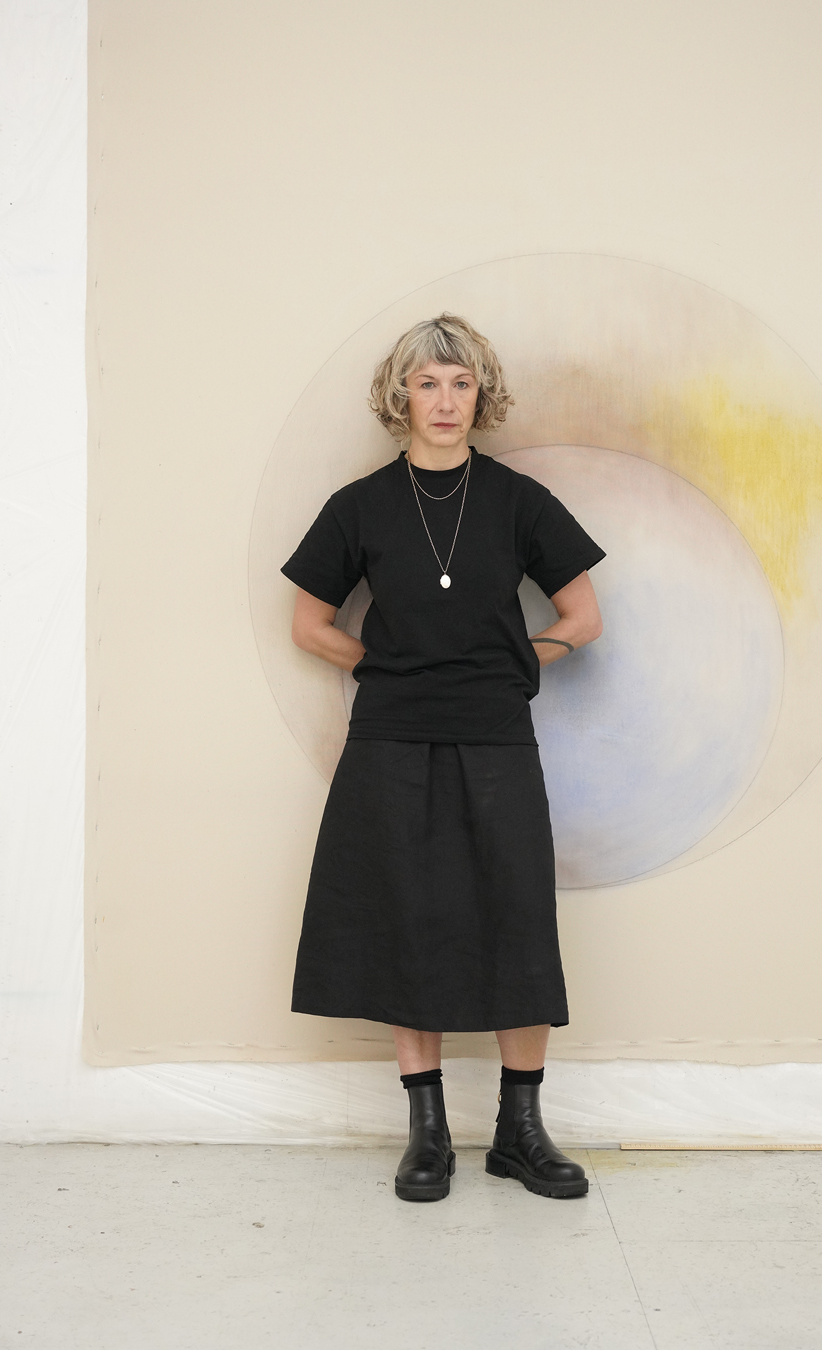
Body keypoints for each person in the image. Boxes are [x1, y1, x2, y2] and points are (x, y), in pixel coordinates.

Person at [281, 313, 605, 1202]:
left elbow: (582, 617)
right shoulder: (358, 506)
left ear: (480, 396)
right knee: (405, 917)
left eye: (460, 383)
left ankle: (519, 1132)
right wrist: (384, 665)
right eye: (428, 382)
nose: (445, 400)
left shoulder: (518, 501)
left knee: (515, 920)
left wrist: (513, 666)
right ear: (401, 395)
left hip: (496, 735)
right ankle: (426, 1135)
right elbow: (310, 624)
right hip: (389, 738)